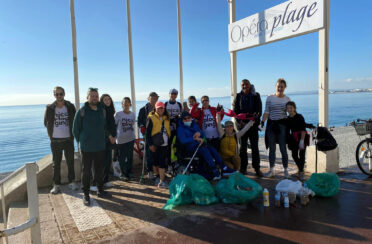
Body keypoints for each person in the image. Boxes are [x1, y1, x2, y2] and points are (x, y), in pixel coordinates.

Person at [73, 88, 112, 206]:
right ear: (87, 97)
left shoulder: (102, 111)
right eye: (92, 96)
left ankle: (100, 190)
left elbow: (104, 127)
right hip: (87, 148)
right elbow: (75, 129)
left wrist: (108, 136)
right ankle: (86, 194)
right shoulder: (82, 111)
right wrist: (81, 141)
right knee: (86, 172)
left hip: (100, 146)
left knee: (99, 170)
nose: (94, 98)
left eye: (96, 96)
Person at [177, 111, 235, 180]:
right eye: (185, 119)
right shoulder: (180, 129)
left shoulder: (194, 125)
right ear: (182, 120)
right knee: (205, 150)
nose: (187, 120)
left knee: (212, 149)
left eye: (188, 118)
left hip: (199, 145)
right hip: (189, 147)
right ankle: (214, 170)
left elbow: (203, 134)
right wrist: (195, 138)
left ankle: (224, 168)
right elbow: (182, 140)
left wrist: (199, 133)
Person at [44, 86, 77, 194]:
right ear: (54, 95)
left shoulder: (70, 106)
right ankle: (56, 185)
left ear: (64, 94)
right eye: (57, 94)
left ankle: (72, 182)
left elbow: (76, 120)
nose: (59, 96)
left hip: (68, 140)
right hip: (55, 141)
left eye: (61, 94)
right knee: (56, 163)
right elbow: (46, 123)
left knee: (70, 162)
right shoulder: (50, 108)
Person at [261, 78, 290, 178]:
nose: (280, 88)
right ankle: (271, 170)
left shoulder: (287, 99)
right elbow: (266, 111)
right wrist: (262, 122)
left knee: (283, 148)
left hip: (282, 125)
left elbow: (290, 113)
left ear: (285, 87)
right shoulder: (270, 98)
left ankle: (286, 170)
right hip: (272, 125)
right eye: (278, 86)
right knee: (271, 149)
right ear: (275, 86)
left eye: (282, 86)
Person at [233, 79, 263, 176]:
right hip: (242, 126)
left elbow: (259, 110)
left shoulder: (256, 95)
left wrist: (253, 121)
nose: (245, 86)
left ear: (250, 85)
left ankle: (257, 168)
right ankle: (243, 168)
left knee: (255, 148)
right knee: (243, 148)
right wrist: (240, 122)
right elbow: (235, 111)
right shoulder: (238, 96)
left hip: (253, 125)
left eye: (246, 84)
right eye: (243, 85)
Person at [146, 102, 171, 188]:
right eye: (159, 108)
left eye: (162, 108)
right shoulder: (151, 118)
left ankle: (161, 180)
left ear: (164, 109)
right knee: (155, 161)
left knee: (162, 162)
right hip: (155, 143)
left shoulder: (166, 118)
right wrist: (150, 145)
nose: (160, 109)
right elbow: (148, 133)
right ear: (155, 108)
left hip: (165, 144)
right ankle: (160, 178)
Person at [138, 92, 159, 180]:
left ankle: (157, 171)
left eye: (155, 98)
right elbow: (139, 121)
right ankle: (150, 171)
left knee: (157, 153)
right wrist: (142, 127)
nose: (153, 100)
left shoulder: (159, 108)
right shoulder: (143, 109)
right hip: (147, 134)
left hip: (158, 134)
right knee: (149, 154)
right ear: (148, 98)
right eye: (152, 98)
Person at [286, 101, 309, 181]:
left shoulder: (299, 116)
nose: (289, 109)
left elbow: (303, 129)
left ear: (294, 108)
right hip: (293, 138)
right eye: (288, 108)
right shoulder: (288, 119)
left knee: (302, 155)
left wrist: (302, 141)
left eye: (291, 108)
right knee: (294, 155)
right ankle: (301, 169)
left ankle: (301, 171)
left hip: (302, 136)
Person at [115, 97, 136, 181]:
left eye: (128, 102)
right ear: (122, 104)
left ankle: (129, 172)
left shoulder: (133, 114)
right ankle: (123, 174)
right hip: (121, 140)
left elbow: (132, 124)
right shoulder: (118, 114)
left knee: (130, 157)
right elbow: (114, 125)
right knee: (122, 158)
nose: (126, 104)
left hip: (130, 139)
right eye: (124, 102)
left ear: (130, 104)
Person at [99, 94, 117, 189]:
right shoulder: (102, 111)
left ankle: (105, 180)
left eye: (109, 99)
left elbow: (112, 125)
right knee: (104, 161)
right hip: (104, 139)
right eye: (105, 99)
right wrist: (110, 136)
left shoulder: (111, 110)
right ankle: (101, 182)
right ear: (102, 101)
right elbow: (103, 126)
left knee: (108, 160)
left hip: (110, 139)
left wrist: (114, 136)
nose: (107, 101)